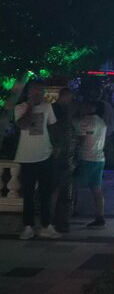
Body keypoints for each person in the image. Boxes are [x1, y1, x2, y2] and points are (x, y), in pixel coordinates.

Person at [14, 80, 61, 239]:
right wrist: (30, 107)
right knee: (28, 194)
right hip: (27, 156)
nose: (38, 94)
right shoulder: (20, 108)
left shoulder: (47, 107)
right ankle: (28, 226)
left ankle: (46, 225)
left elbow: (53, 126)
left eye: (41, 91)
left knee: (45, 192)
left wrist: (56, 145)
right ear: (29, 92)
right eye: (35, 91)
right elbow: (22, 125)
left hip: (45, 155)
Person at [74, 100, 107, 228]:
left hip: (86, 158)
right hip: (99, 158)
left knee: (72, 185)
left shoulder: (85, 122)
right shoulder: (102, 122)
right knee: (96, 188)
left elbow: (80, 140)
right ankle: (100, 216)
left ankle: (67, 211)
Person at [50, 87, 77, 233]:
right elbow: (56, 131)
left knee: (63, 190)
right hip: (59, 155)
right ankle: (55, 219)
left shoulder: (65, 111)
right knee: (58, 189)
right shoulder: (56, 110)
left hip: (66, 156)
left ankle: (60, 219)